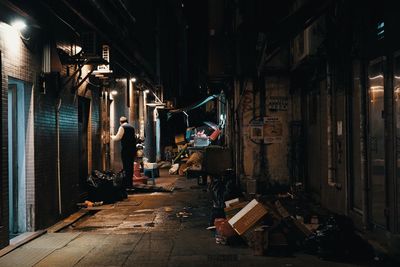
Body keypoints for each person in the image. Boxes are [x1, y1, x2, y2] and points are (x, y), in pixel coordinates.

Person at [111, 116, 136, 189]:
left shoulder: (122, 127)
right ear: (127, 121)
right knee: (130, 167)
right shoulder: (132, 128)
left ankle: (127, 184)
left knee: (126, 167)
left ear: (120, 122)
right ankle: (130, 183)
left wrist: (111, 136)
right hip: (132, 150)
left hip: (126, 150)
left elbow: (117, 138)